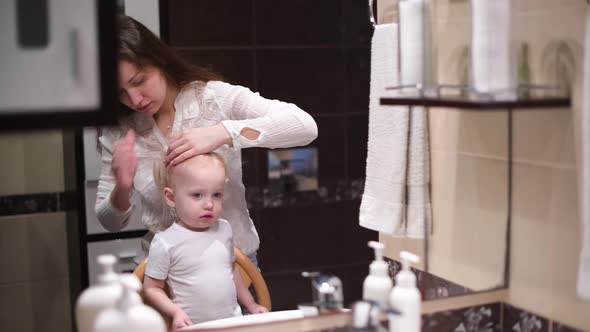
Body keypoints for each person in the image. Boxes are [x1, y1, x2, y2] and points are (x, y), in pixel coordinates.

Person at [94, 15, 318, 264]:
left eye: (139, 81)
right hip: (164, 270)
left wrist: (222, 133)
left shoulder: (214, 98)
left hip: (233, 265)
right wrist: (122, 187)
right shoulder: (119, 132)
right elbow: (109, 222)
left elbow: (304, 126)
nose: (135, 100)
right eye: (121, 93)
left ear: (159, 61)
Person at [144, 153, 268, 329]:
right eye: (197, 195)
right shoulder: (165, 242)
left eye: (216, 194)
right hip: (194, 327)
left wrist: (251, 304)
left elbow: (232, 271)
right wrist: (175, 312)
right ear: (171, 198)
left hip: (232, 325)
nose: (209, 204)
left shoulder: (224, 229)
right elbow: (152, 288)